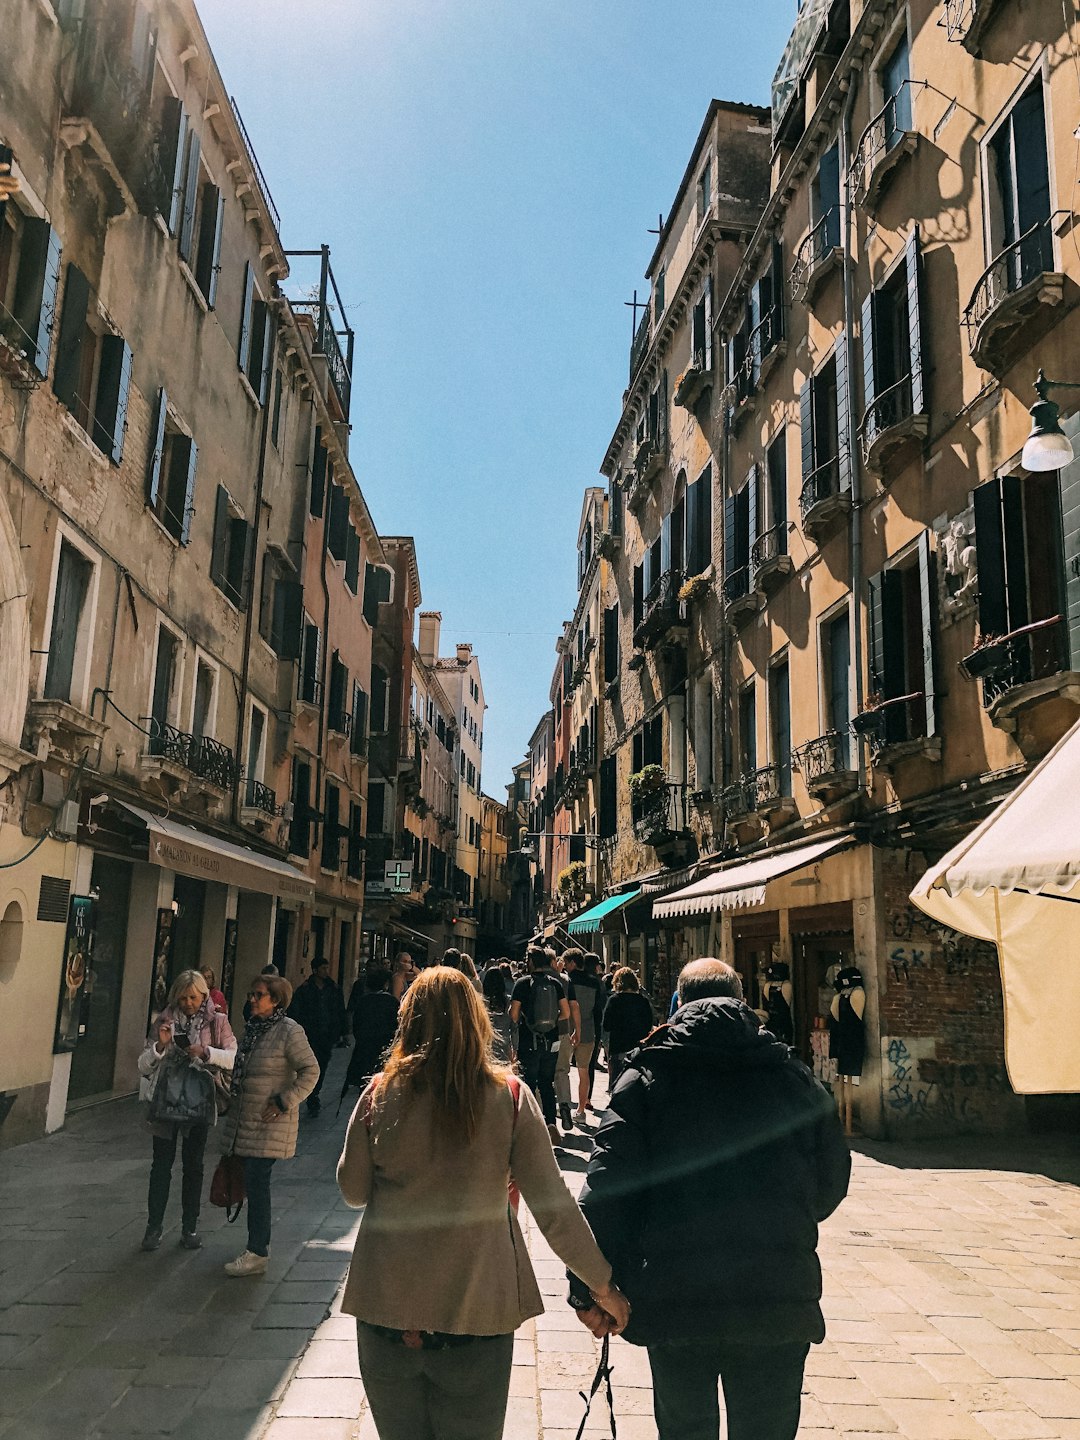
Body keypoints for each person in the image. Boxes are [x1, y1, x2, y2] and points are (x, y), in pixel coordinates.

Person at [337, 967, 630, 1440]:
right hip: (476, 1313)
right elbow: (554, 1208)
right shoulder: (509, 1098)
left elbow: (352, 1191)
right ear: (477, 1022)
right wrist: (603, 1287)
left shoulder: (378, 1094)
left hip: (386, 1311)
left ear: (406, 1022)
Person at [571, 958, 851, 1440]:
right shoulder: (793, 1078)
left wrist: (590, 1289)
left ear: (679, 1004)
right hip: (776, 1295)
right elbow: (831, 1182)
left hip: (677, 1297)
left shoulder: (645, 1079)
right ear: (744, 1003)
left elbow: (605, 1193)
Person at [219, 973, 320, 1276]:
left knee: (257, 1183)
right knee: (252, 1181)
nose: (251, 999)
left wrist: (283, 1101)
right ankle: (257, 1247)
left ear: (276, 1000)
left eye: (258, 994)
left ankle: (257, 1251)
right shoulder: (253, 1030)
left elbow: (310, 1071)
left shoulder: (289, 1031)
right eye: (251, 993)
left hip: (270, 1122)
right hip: (247, 1120)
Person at [138, 969, 236, 1251]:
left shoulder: (218, 1022)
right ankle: (153, 1228)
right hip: (165, 1102)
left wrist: (206, 1053)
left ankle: (190, 1228)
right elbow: (143, 1064)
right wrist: (160, 1046)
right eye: (183, 998)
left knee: (193, 1167)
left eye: (193, 997)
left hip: (198, 1103)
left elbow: (233, 1058)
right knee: (161, 1166)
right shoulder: (164, 1020)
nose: (188, 1003)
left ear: (204, 995)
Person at [510, 946, 572, 1146]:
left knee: (528, 1083)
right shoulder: (555, 983)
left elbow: (513, 1014)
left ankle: (530, 1127)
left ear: (530, 962)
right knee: (547, 1083)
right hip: (552, 1040)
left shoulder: (522, 984)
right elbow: (566, 1013)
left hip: (529, 1041)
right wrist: (552, 1021)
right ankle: (551, 1123)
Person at [289, 957, 348, 1114]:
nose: (326, 971)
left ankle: (314, 1092)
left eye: (327, 968)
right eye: (323, 968)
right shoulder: (305, 990)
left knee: (322, 1063)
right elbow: (297, 1011)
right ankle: (312, 1095)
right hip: (310, 1033)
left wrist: (343, 1032)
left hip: (327, 1033)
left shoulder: (334, 988)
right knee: (310, 1064)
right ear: (315, 970)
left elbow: (340, 1011)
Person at [340, 967, 400, 1110]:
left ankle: (365, 1109)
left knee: (366, 1084)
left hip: (364, 1049)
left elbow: (357, 1025)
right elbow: (397, 1026)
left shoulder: (363, 1001)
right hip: (385, 1049)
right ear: (385, 984)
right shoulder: (392, 1002)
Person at [566, 950, 605, 1121]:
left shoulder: (567, 981)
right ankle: (581, 1110)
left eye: (567, 964)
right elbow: (598, 1010)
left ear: (573, 963)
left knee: (561, 1071)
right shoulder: (595, 983)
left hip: (567, 1030)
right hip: (589, 1030)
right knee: (584, 1072)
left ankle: (564, 1105)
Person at [601, 967, 654, 1085]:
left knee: (617, 1082)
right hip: (637, 1049)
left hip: (618, 1047)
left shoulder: (614, 1000)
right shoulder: (643, 1001)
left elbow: (606, 1025)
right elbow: (648, 1025)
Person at [482, 965, 516, 1063]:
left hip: (486, 1044)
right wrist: (515, 1047)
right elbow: (514, 1027)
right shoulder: (508, 1001)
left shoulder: (480, 1002)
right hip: (504, 1044)